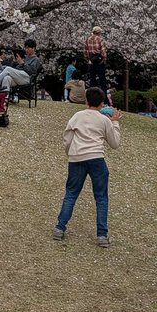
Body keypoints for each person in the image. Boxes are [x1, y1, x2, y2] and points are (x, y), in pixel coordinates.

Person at [53, 86, 121, 246]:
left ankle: (59, 228)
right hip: (96, 158)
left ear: (86, 101)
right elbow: (114, 143)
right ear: (102, 103)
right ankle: (102, 235)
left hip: (76, 158)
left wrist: (70, 153)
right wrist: (115, 123)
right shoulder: (104, 120)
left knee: (71, 193)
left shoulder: (77, 116)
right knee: (101, 197)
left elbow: (68, 137)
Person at [84, 26, 109, 98]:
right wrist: (104, 59)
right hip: (99, 61)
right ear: (99, 32)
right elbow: (103, 51)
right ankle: (104, 98)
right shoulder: (100, 39)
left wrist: (88, 59)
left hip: (91, 61)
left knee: (92, 80)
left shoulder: (88, 39)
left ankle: (91, 97)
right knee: (102, 80)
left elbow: (85, 51)